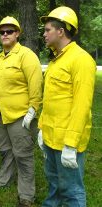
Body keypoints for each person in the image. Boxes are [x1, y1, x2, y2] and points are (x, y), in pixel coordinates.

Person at [38, 6, 96, 207]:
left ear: (61, 31)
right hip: (51, 137)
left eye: (47, 30)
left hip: (67, 142)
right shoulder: (56, 60)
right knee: (54, 183)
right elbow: (51, 99)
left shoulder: (81, 60)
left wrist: (71, 144)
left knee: (72, 191)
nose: (44, 34)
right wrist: (41, 128)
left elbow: (82, 105)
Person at [0, 16, 43, 207]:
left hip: (20, 115)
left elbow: (35, 84)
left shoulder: (26, 55)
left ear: (17, 33)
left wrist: (33, 109)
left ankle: (26, 195)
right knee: (5, 151)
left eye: (9, 31)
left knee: (23, 155)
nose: (4, 35)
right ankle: (5, 180)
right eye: (2, 32)